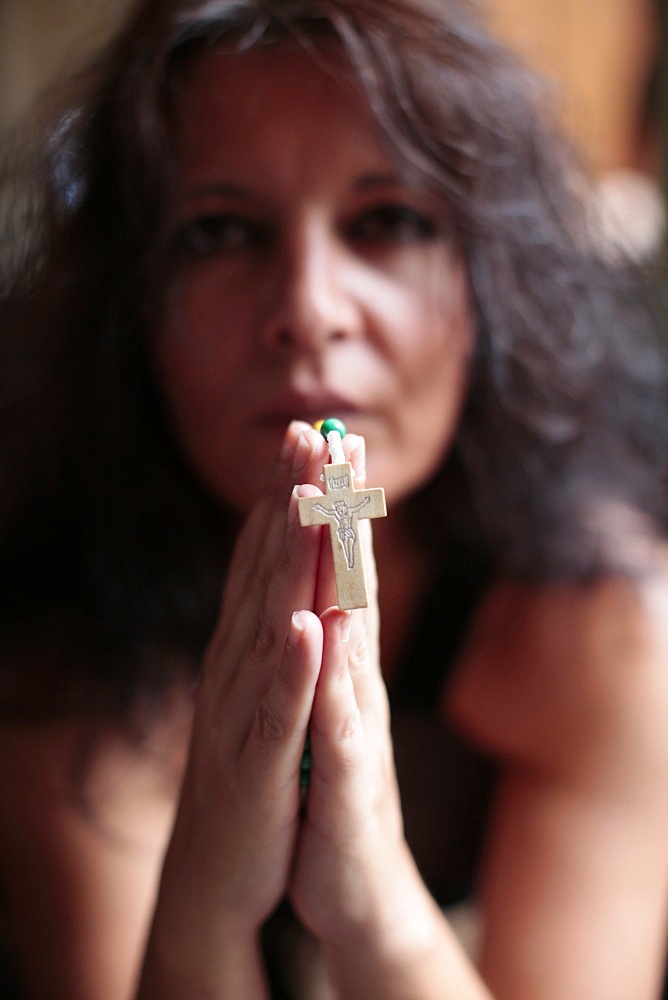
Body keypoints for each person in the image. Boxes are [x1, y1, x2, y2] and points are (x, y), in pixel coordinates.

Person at [1, 0, 668, 997]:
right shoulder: (59, 661)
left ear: (484, 285)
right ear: (130, 303)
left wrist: (370, 898)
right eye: (221, 231)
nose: (309, 309)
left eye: (386, 222)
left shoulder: (606, 627)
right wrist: (209, 882)